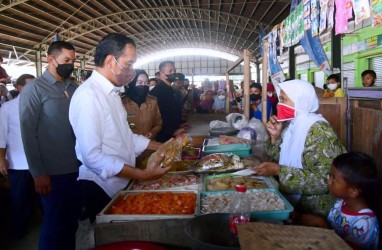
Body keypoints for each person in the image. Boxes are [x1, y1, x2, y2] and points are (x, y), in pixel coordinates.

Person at [69, 33, 170, 223]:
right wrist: (141, 175)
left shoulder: (112, 93)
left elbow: (126, 137)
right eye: (129, 64)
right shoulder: (89, 96)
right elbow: (92, 156)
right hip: (100, 186)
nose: (131, 70)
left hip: (120, 181)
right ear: (110, 61)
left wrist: (162, 147)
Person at [252, 79, 346, 217]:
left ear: (300, 101)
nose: (279, 104)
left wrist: (280, 171)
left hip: (315, 210)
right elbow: (278, 158)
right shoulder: (292, 125)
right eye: (280, 99)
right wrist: (275, 137)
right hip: (294, 204)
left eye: (284, 99)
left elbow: (324, 180)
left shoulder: (319, 131)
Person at [20, 41, 80, 250]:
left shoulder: (74, 88)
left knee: (71, 223)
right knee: (54, 223)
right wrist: (38, 172)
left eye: (73, 60)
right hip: (52, 172)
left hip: (77, 167)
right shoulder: (34, 89)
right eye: (66, 60)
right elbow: (28, 133)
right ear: (50, 59)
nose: (70, 64)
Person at [300, 152, 379, 249]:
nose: (328, 182)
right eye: (330, 176)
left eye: (334, 179)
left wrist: (323, 225)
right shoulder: (340, 204)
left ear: (353, 191)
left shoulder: (365, 223)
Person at [0, 74, 35, 241]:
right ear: (19, 88)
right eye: (28, 85)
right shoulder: (7, 108)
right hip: (17, 162)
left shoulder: (38, 106)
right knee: (19, 198)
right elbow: (1, 135)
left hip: (37, 162)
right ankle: (18, 231)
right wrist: (1, 158)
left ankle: (33, 223)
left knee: (36, 196)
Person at [121, 69, 162, 139]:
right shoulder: (122, 103)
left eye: (146, 83)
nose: (143, 85)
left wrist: (153, 132)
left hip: (149, 145)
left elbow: (158, 124)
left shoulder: (152, 101)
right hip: (129, 146)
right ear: (132, 83)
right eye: (140, 82)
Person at [149, 61, 183, 142]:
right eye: (170, 71)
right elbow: (158, 117)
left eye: (174, 71)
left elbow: (172, 111)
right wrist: (171, 132)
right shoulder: (157, 92)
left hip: (172, 131)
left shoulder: (170, 89)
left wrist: (179, 125)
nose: (173, 73)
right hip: (163, 136)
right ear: (162, 74)